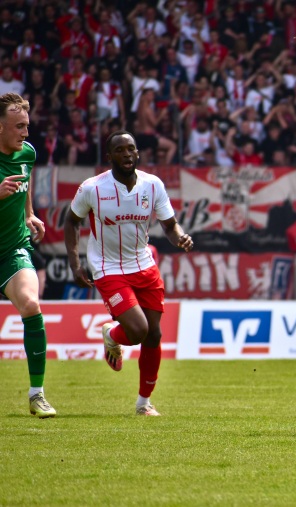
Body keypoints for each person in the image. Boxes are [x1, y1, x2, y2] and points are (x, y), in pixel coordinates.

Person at [64, 131, 194, 416]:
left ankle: (144, 403)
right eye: (120, 150)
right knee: (137, 330)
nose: (127, 154)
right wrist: (75, 263)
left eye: (131, 149)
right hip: (108, 268)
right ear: (109, 157)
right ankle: (112, 333)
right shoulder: (92, 188)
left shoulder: (152, 185)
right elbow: (71, 221)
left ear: (138, 154)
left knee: (154, 335)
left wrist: (181, 236)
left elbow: (170, 225)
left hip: (143, 264)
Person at [0, 92, 56, 418]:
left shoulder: (28, 153)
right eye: (19, 126)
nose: (25, 132)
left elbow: (26, 179)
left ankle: (37, 395)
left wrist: (29, 213)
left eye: (27, 125)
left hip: (10, 250)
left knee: (32, 305)